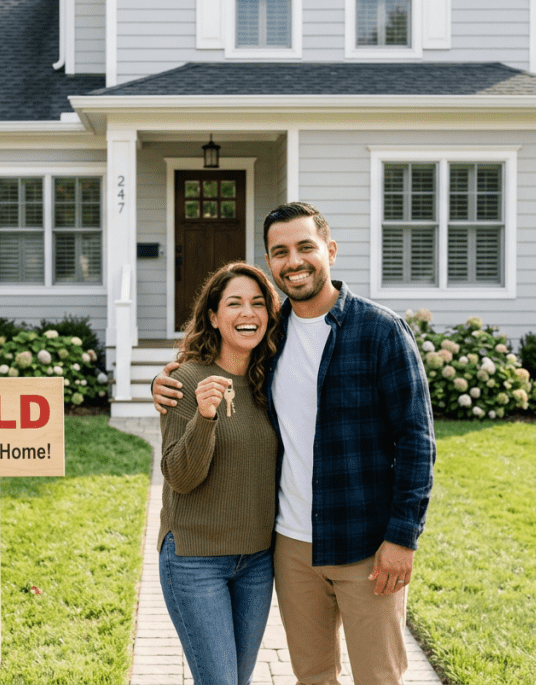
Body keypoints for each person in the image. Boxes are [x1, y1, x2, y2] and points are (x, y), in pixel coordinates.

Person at [154, 203, 436, 685]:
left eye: (305, 247)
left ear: (330, 250)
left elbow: (417, 441)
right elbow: (219, 366)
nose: (294, 261)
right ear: (270, 262)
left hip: (365, 544)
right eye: (280, 252)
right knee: (312, 676)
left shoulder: (379, 331)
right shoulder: (271, 336)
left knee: (379, 677)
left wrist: (402, 538)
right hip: (289, 547)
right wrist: (167, 382)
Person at [157, 261, 283, 685]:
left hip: (257, 562)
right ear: (213, 316)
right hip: (195, 561)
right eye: (234, 303)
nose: (248, 313)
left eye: (258, 303)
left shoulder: (271, 381)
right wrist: (205, 416)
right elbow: (180, 476)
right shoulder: (185, 380)